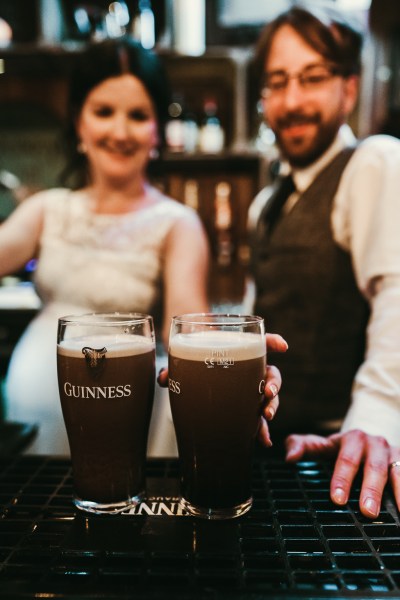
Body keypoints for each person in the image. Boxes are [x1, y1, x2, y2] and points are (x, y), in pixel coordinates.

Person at [0, 38, 284, 456]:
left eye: (137, 115)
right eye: (103, 112)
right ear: (79, 122)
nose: (119, 131)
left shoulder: (176, 224)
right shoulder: (46, 209)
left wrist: (232, 362)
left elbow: (187, 331)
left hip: (122, 418)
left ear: (156, 130)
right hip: (29, 418)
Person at [249, 2, 400, 518]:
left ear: (349, 88)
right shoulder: (266, 202)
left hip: (345, 470)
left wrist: (374, 422)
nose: (291, 101)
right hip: (275, 467)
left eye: (311, 78)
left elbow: (397, 300)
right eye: (277, 81)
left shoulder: (374, 163)